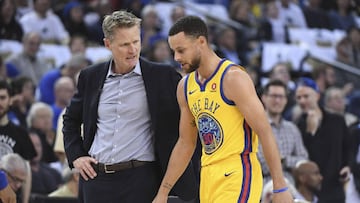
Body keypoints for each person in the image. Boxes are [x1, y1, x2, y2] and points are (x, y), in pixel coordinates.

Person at [153, 15, 293, 203]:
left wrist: (280, 185)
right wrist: (163, 192)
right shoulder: (185, 87)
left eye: (181, 50)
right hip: (208, 176)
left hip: (238, 172)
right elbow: (186, 143)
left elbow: (264, 131)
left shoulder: (233, 78)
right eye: (174, 52)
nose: (177, 58)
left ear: (201, 42)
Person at [62, 10, 197, 203]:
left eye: (136, 41)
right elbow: (70, 120)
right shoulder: (90, 76)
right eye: (125, 44)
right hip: (96, 179)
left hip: (141, 179)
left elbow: (189, 120)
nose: (132, 50)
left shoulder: (163, 76)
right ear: (108, 44)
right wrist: (76, 156)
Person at [295, 77, 352, 203]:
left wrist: (347, 166)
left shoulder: (337, 120)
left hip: (335, 187)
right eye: (298, 98)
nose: (302, 101)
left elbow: (347, 146)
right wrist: (310, 132)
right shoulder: (298, 125)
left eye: (306, 96)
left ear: (317, 95)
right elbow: (303, 157)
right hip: (311, 191)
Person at [258, 79, 308, 185]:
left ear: (286, 100)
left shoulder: (292, 129)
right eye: (273, 96)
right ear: (264, 98)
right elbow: (261, 165)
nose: (277, 101)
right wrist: (287, 162)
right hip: (263, 188)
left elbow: (303, 161)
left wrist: (284, 161)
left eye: (281, 97)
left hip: (291, 188)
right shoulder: (255, 127)